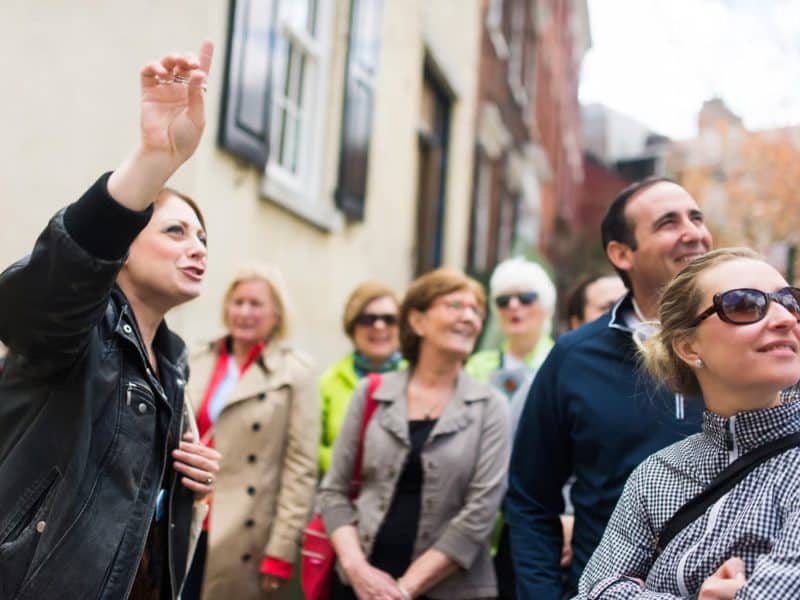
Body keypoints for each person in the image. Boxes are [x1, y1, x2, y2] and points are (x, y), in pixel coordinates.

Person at [0, 42, 221, 599]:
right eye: (175, 232)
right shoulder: (79, 329)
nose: (197, 248)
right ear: (122, 248)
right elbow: (35, 299)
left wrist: (182, 486)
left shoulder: (170, 364)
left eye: (202, 238)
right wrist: (152, 161)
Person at [506, 177, 712, 599]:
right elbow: (530, 499)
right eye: (668, 223)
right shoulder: (574, 357)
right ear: (621, 253)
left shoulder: (751, 344)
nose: (693, 233)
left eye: (696, 217)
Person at [578, 247, 800, 598]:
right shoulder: (657, 474)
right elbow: (592, 592)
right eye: (744, 305)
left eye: (790, 301)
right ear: (688, 347)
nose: (786, 318)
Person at [318, 268, 510, 600]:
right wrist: (357, 570)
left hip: (449, 590)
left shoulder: (491, 406)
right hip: (358, 586)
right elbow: (333, 492)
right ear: (417, 321)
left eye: (476, 310)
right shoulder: (371, 393)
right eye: (454, 305)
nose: (469, 317)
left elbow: (480, 512)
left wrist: (402, 591)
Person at [183, 264, 319, 599]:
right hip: (183, 513)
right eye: (237, 302)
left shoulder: (296, 373)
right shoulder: (196, 357)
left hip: (246, 532)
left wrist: (281, 552)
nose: (244, 312)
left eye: (256, 304)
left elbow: (300, 470)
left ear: (276, 314)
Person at [319, 282, 402, 474]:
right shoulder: (329, 382)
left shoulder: (419, 379)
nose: (379, 326)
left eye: (389, 319)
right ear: (352, 326)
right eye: (367, 319)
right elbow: (310, 449)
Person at [466, 257, 556, 400]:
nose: (513, 306)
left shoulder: (561, 360)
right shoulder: (477, 366)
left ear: (546, 308)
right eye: (503, 301)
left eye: (525, 298)